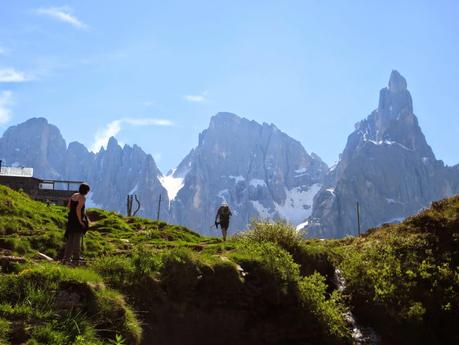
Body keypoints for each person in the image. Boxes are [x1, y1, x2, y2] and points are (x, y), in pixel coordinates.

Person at [62, 183, 90, 265]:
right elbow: (78, 209)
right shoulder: (82, 198)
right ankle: (76, 259)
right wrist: (81, 221)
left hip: (71, 219)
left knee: (70, 239)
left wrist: (72, 214)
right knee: (77, 239)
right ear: (85, 191)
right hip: (77, 220)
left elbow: (68, 206)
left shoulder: (74, 195)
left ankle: (66, 258)